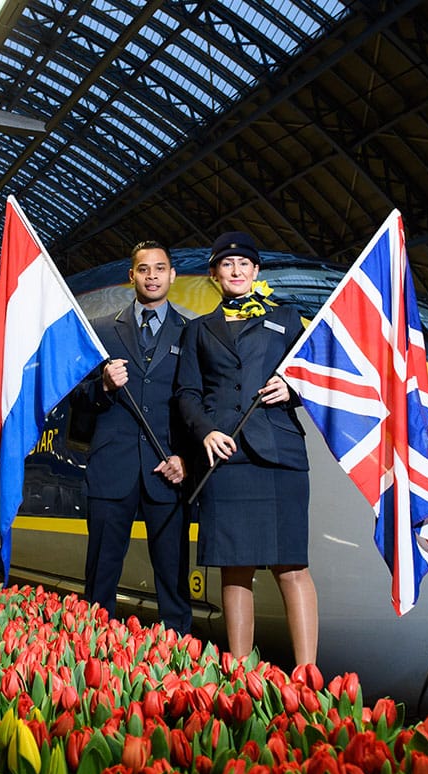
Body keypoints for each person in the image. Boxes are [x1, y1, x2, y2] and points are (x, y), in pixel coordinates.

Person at [175, 231, 318, 665]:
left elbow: (317, 372)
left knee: (291, 566)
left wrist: (294, 387)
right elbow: (186, 393)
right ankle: (239, 670)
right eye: (226, 265)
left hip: (279, 455)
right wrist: (204, 432)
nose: (236, 271)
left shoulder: (288, 318)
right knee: (235, 568)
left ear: (256, 272)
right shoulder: (197, 331)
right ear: (214, 275)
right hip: (226, 457)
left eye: (244, 264)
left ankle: (307, 673)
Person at [73, 241, 192, 635]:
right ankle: (92, 652)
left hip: (167, 472)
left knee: (173, 580)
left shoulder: (191, 333)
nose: (153, 276)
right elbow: (77, 400)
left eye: (160, 269)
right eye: (144, 269)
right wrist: (102, 386)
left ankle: (178, 656)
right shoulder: (102, 329)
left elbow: (197, 405)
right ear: (132, 277)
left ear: (172, 276)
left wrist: (186, 458)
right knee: (101, 573)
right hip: (112, 469)